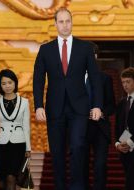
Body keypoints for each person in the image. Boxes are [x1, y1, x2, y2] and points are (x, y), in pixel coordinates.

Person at [33, 7, 102, 190]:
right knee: (57, 153)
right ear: (55, 24)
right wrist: (38, 105)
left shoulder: (85, 47)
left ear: (72, 23)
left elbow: (95, 78)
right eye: (61, 21)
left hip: (79, 107)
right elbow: (38, 80)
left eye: (68, 21)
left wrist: (97, 105)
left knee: (78, 145)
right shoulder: (45, 49)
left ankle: (77, 187)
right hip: (54, 108)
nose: (65, 25)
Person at [0, 69, 31, 190]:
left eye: (10, 82)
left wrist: (28, 148)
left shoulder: (25, 102)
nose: (7, 86)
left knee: (12, 178)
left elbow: (26, 126)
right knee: (2, 181)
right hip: (0, 144)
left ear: (15, 83)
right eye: (3, 83)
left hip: (18, 144)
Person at [85, 42, 116, 190]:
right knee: (81, 165)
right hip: (81, 128)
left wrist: (102, 112)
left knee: (100, 165)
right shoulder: (73, 80)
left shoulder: (105, 78)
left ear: (96, 56)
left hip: (100, 128)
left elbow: (112, 105)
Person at [115, 67, 134, 190]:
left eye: (128, 81)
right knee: (129, 178)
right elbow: (118, 126)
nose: (125, 85)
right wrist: (118, 143)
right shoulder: (122, 102)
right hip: (124, 148)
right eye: (123, 82)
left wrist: (130, 142)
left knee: (132, 181)